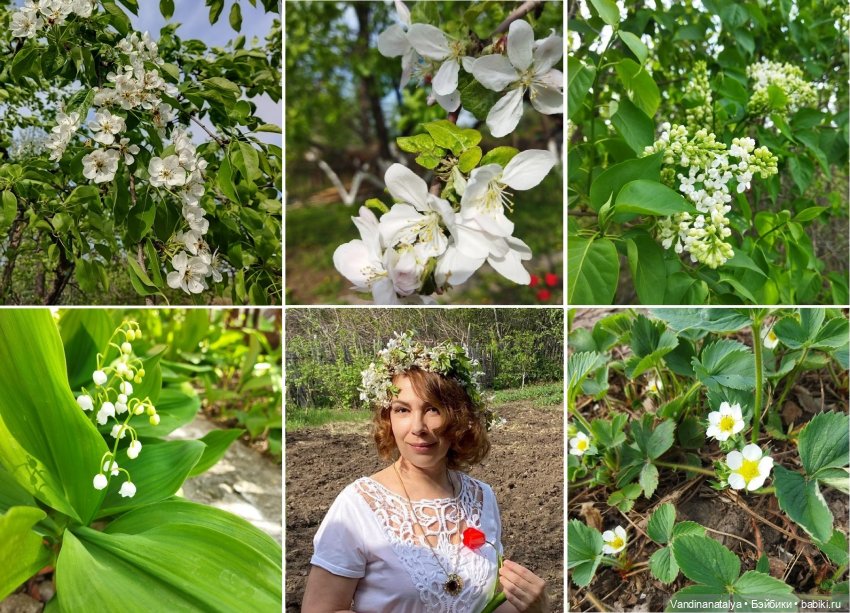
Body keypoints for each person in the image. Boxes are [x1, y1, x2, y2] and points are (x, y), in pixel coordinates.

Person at [302, 332, 548, 613]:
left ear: (459, 416)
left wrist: (532, 609)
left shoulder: (482, 499)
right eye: (402, 409)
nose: (417, 427)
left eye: (433, 409)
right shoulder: (359, 506)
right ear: (388, 418)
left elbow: (484, 605)